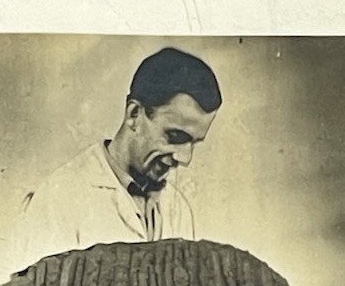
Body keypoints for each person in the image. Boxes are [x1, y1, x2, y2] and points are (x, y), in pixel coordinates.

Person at [13, 46, 222, 271]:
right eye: (175, 136)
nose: (185, 158)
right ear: (134, 114)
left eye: (194, 143)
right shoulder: (59, 199)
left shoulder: (178, 209)